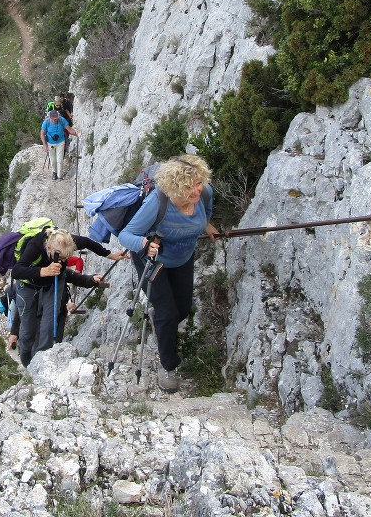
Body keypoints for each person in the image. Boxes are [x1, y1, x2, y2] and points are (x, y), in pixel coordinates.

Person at [118, 154, 221, 393]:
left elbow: (204, 214)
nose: (197, 190)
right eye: (191, 185)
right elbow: (126, 235)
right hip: (153, 261)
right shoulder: (158, 202)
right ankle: (168, 367)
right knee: (167, 311)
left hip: (183, 257)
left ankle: (161, 321)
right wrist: (144, 244)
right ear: (177, 186)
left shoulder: (205, 194)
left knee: (183, 309)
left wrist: (207, 226)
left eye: (199, 183)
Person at [12, 228, 124, 367]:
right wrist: (44, 271)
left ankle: (43, 364)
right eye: (62, 257)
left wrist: (110, 255)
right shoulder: (35, 247)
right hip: (28, 284)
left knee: (48, 325)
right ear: (48, 247)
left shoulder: (67, 242)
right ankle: (27, 364)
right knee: (28, 333)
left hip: (53, 280)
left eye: (67, 257)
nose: (65, 260)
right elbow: (16, 272)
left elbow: (88, 243)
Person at [41, 105, 77, 181]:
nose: (55, 120)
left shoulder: (61, 120)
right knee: (53, 161)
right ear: (50, 117)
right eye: (53, 119)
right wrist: (44, 145)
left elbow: (69, 129)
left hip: (61, 142)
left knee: (59, 160)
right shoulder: (46, 122)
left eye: (56, 119)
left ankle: (59, 176)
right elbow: (42, 133)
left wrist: (77, 134)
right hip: (50, 144)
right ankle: (54, 172)